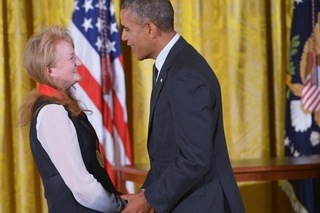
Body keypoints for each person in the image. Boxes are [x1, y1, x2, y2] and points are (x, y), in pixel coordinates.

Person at [119, 0, 246, 213]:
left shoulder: (185, 74)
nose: (124, 37)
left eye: (127, 29)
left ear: (150, 29)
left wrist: (149, 198)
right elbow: (167, 155)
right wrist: (145, 194)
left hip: (203, 205)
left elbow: (194, 157)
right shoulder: (171, 65)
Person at [18, 25, 126, 213]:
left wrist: (118, 199)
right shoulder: (52, 113)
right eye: (71, 58)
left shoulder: (58, 107)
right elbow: (82, 186)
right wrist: (119, 207)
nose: (78, 62)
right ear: (50, 71)